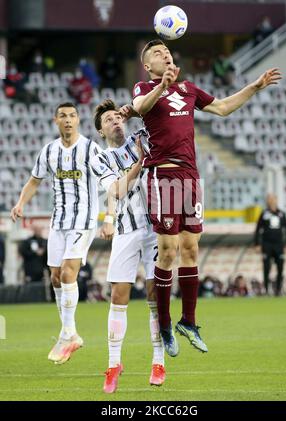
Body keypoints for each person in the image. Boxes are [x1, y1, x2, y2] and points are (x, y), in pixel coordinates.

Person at [132, 39, 281, 357]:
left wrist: (254, 86)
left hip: (191, 178)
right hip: (164, 176)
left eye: (168, 52)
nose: (166, 56)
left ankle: (189, 320)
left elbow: (223, 108)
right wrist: (162, 86)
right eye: (158, 54)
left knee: (191, 249)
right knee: (168, 252)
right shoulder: (143, 87)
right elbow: (141, 108)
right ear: (148, 66)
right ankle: (164, 322)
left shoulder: (189, 89)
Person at [11, 102, 102, 364]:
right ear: (55, 120)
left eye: (72, 115)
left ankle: (69, 333)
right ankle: (68, 333)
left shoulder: (89, 149)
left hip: (83, 220)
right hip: (58, 221)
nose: (68, 120)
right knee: (54, 277)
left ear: (78, 120)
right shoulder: (49, 151)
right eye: (63, 116)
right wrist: (20, 203)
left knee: (67, 272)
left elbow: (108, 179)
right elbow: (34, 181)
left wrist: (109, 216)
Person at [90, 99, 165, 393]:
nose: (114, 122)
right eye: (107, 120)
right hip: (125, 230)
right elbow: (117, 190)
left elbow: (159, 113)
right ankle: (113, 363)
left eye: (116, 118)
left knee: (154, 295)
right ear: (100, 131)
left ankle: (158, 361)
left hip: (155, 228)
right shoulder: (100, 159)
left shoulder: (143, 137)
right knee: (118, 295)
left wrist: (136, 107)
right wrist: (137, 164)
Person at [254, 194, 286, 296]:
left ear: (276, 200)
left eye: (273, 199)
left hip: (279, 245)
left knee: (280, 267)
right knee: (266, 267)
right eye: (269, 199)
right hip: (267, 244)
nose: (271, 201)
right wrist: (257, 244)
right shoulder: (264, 214)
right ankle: (266, 289)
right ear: (267, 201)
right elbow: (258, 230)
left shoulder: (281, 214)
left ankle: (278, 289)